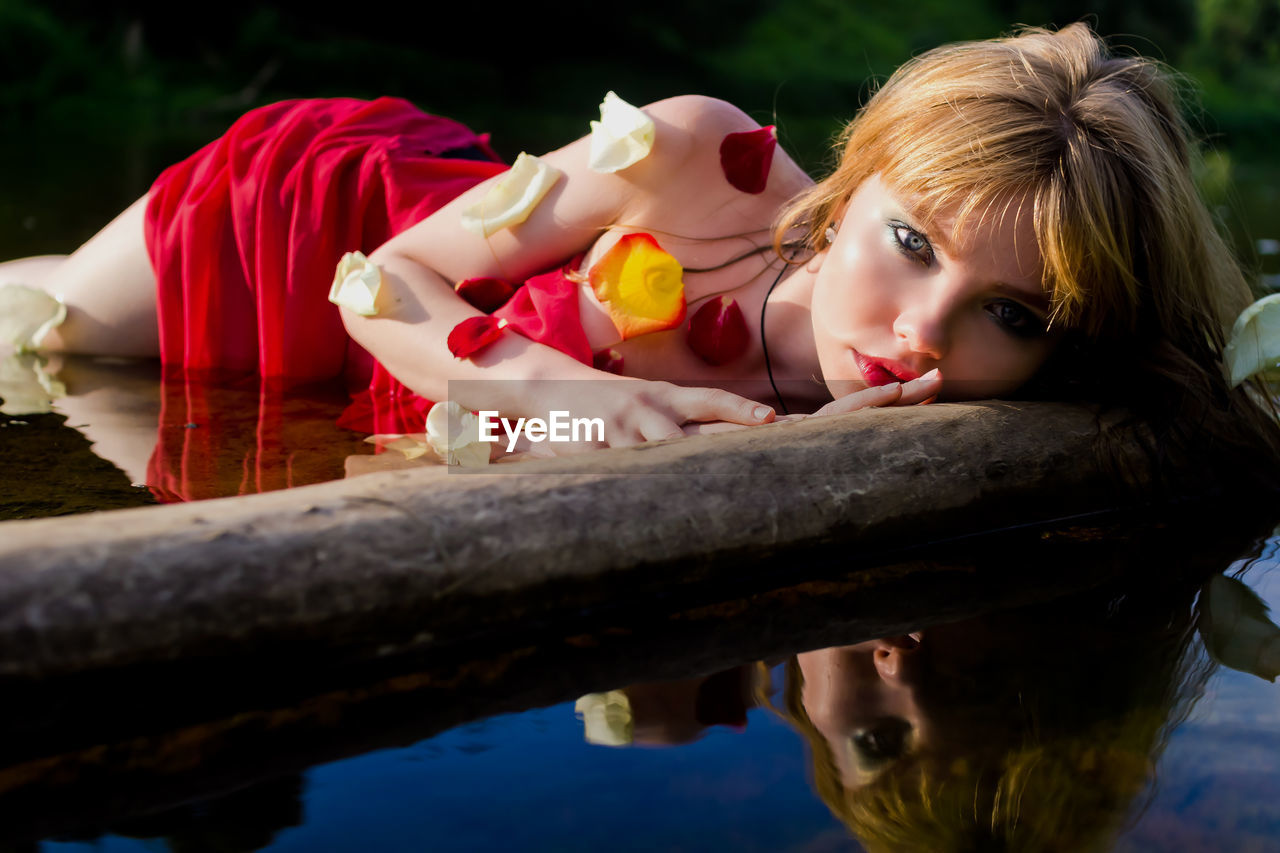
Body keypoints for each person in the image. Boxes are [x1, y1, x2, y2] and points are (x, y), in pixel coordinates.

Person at [2, 23, 1277, 482]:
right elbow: (380, 283)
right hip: (300, 228)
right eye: (907, 240)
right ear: (848, 187)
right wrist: (570, 395)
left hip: (395, 389)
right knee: (49, 334)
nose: (923, 332)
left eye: (1017, 315)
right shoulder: (690, 158)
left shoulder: (990, 398)